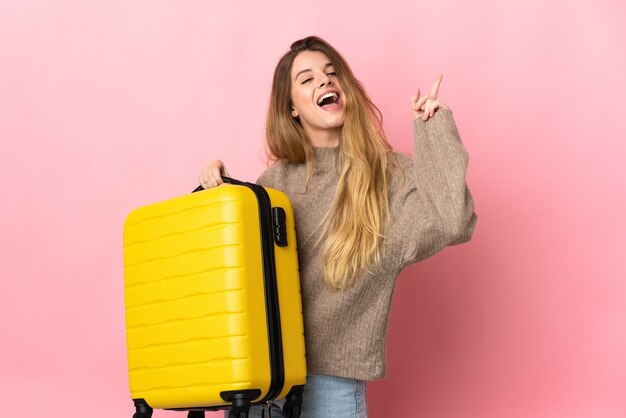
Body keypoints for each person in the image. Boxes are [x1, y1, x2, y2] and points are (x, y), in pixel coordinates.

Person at [199, 36, 477, 418]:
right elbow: (238, 277)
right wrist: (217, 193)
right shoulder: (273, 182)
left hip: (333, 385)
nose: (326, 82)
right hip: (266, 379)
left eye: (332, 74)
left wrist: (433, 131)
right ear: (291, 108)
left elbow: (453, 222)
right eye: (308, 79)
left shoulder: (389, 174)